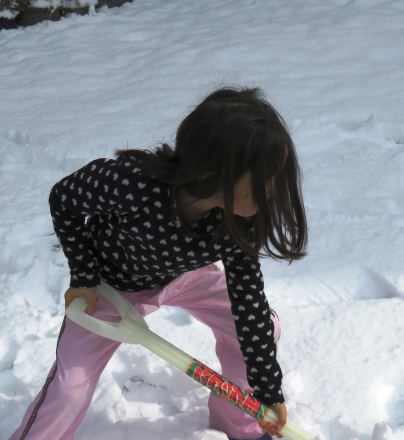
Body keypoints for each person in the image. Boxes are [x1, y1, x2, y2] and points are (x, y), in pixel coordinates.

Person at [9, 87, 307, 440]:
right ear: (215, 171)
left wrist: (267, 392)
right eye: (266, 177)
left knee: (262, 329)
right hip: (114, 286)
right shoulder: (132, 185)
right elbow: (64, 199)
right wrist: (85, 276)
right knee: (70, 385)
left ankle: (240, 423)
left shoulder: (237, 219)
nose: (274, 188)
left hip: (188, 275)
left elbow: (248, 301)